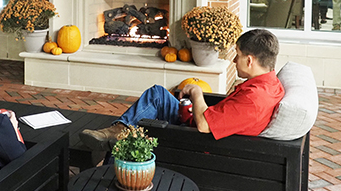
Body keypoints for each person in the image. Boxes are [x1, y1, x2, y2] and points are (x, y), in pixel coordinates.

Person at [80, 29, 284, 153]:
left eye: (237, 55)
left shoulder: (255, 99)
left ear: (250, 60)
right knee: (157, 94)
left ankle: (110, 153)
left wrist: (196, 93)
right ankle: (116, 132)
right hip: (204, 126)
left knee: (144, 116)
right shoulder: (271, 84)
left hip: (195, 140)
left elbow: (204, 126)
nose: (233, 60)